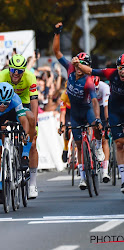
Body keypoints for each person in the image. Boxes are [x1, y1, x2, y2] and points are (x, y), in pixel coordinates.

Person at [53, 22, 104, 190]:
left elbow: (95, 101)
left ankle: (97, 146)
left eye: (83, 65)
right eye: (77, 64)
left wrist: (97, 119)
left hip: (87, 109)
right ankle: (83, 177)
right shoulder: (69, 69)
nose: (79, 68)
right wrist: (57, 33)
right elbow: (57, 52)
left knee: (96, 127)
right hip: (74, 113)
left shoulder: (89, 81)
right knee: (78, 144)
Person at [72, 53, 124, 193]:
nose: (123, 71)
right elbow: (90, 71)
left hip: (110, 107)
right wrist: (77, 65)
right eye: (120, 68)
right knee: (119, 142)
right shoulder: (111, 74)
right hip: (114, 111)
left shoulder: (103, 87)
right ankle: (123, 180)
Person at [0, 54, 39, 198]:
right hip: (5, 105)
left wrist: (34, 122)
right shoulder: (1, 77)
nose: (15, 73)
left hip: (23, 104)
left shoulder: (30, 77)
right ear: (9, 68)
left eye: (19, 71)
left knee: (33, 145)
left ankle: (32, 184)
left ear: (24, 71)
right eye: (13, 70)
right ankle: (4, 157)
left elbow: (34, 101)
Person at [93, 76, 111, 183]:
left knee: (104, 137)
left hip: (103, 107)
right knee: (94, 128)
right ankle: (96, 145)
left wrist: (107, 122)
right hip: (91, 106)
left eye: (96, 89)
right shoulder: (88, 88)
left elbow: (106, 107)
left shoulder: (104, 87)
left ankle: (105, 171)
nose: (95, 91)